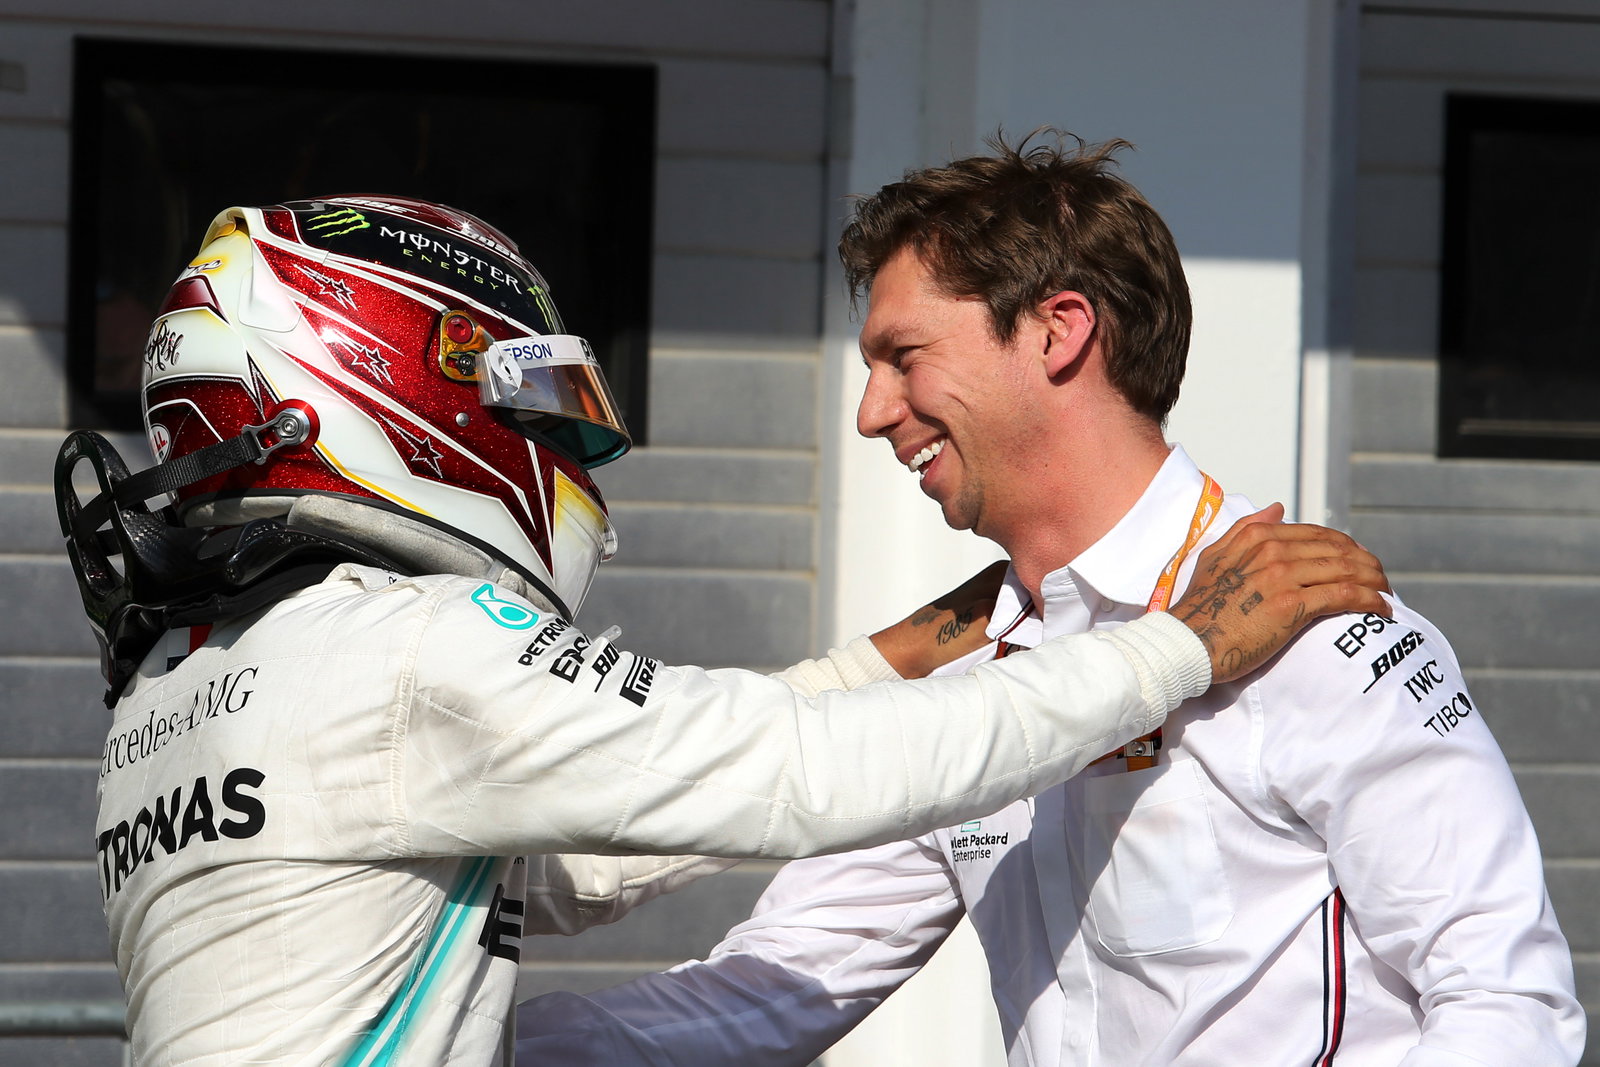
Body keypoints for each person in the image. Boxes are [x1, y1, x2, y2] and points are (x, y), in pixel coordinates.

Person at [62, 194, 1385, 1066]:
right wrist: (1187, 642)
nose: (552, 449)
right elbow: (788, 780)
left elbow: (576, 850)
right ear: (395, 390)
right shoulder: (406, 649)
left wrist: (870, 661)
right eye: (526, 405)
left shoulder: (198, 683)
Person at [513, 133, 1586, 1065]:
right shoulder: (974, 668)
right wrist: (452, 1042)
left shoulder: (1310, 616)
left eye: (904, 356)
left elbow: (1507, 1001)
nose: (873, 411)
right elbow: (765, 989)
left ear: (1058, 329)